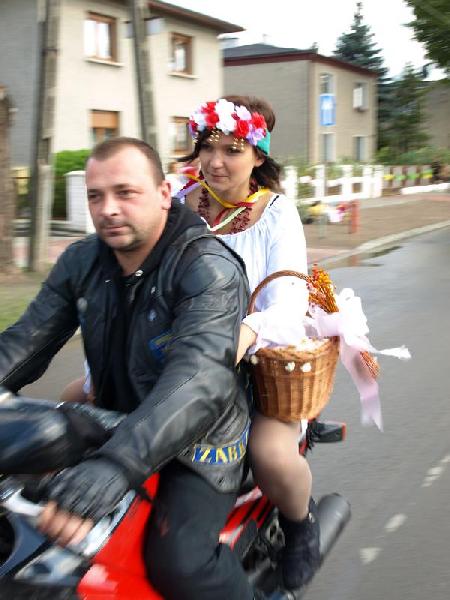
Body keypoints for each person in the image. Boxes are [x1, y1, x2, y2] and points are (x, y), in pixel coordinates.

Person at [0, 137, 257, 600]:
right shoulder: (82, 261)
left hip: (199, 442)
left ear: (163, 193)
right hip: (114, 420)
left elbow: (199, 381)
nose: (108, 209)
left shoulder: (208, 268)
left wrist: (117, 464)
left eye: (125, 192)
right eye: (95, 196)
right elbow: (26, 341)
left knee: (180, 562)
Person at [175, 95, 321, 590]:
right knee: (80, 401)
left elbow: (290, 304)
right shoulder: (178, 204)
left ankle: (300, 525)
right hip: (180, 359)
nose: (215, 161)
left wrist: (242, 335)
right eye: (208, 147)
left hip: (256, 368)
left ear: (258, 155)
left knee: (270, 455)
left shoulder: (277, 214)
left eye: (232, 150)